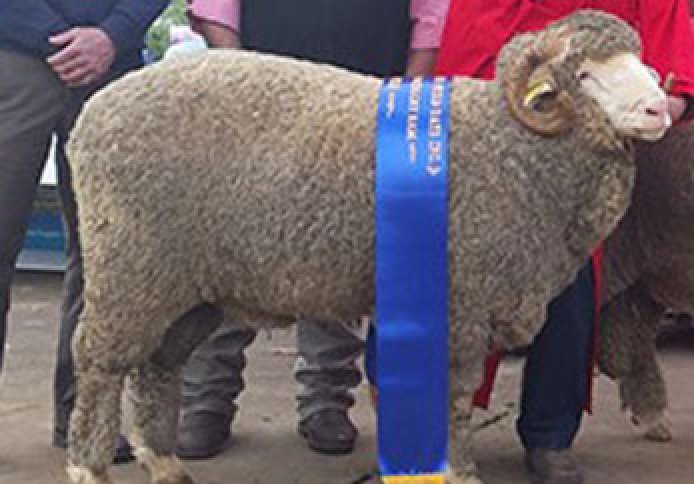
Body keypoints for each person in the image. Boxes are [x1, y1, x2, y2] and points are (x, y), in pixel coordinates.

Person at [435, 1, 694, 483]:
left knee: (572, 292)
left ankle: (551, 435)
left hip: (589, 149)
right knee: (471, 290)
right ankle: (446, 425)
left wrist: (667, 95)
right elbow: (473, 33)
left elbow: (666, 28)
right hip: (502, 139)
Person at [179, 0, 450, 459]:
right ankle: (206, 400)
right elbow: (214, 7)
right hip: (258, 101)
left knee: (336, 251)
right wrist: (241, 78)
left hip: (365, 101)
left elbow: (431, 16)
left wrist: (406, 99)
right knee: (231, 250)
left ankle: (325, 400)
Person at [0, 0, 169, 463]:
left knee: (104, 258)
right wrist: (54, 37)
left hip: (113, 68)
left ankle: (83, 419)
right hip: (13, 57)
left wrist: (113, 35)